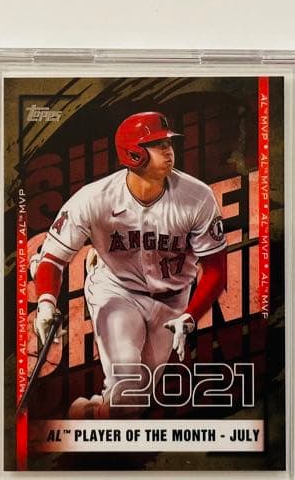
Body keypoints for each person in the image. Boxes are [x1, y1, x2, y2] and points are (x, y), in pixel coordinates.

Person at [31, 111, 227, 419]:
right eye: (157, 145)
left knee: (135, 401)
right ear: (134, 154)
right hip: (117, 291)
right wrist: (45, 304)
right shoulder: (94, 198)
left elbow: (216, 270)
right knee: (127, 389)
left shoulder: (197, 196)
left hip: (173, 299)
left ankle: (90, 413)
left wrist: (190, 316)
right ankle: (101, 421)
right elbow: (53, 258)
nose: (168, 151)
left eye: (168, 143)